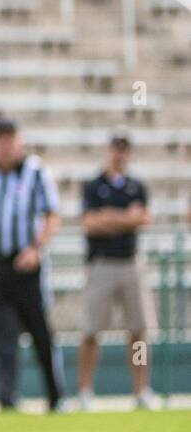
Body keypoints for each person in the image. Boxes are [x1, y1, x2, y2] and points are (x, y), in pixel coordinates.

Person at [0, 119, 65, 412]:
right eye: (0, 140)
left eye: (10, 140)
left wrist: (35, 249)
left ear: (19, 142)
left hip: (24, 264)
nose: (5, 147)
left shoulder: (36, 172)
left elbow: (51, 215)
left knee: (40, 331)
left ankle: (56, 397)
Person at [77, 132, 159, 411]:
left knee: (138, 330)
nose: (120, 154)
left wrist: (109, 218)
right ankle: (85, 391)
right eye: (116, 149)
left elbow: (144, 218)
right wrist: (126, 218)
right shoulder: (93, 185)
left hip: (130, 262)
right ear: (108, 151)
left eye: (125, 149)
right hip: (102, 264)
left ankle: (141, 390)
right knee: (90, 330)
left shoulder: (137, 186)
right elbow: (90, 223)